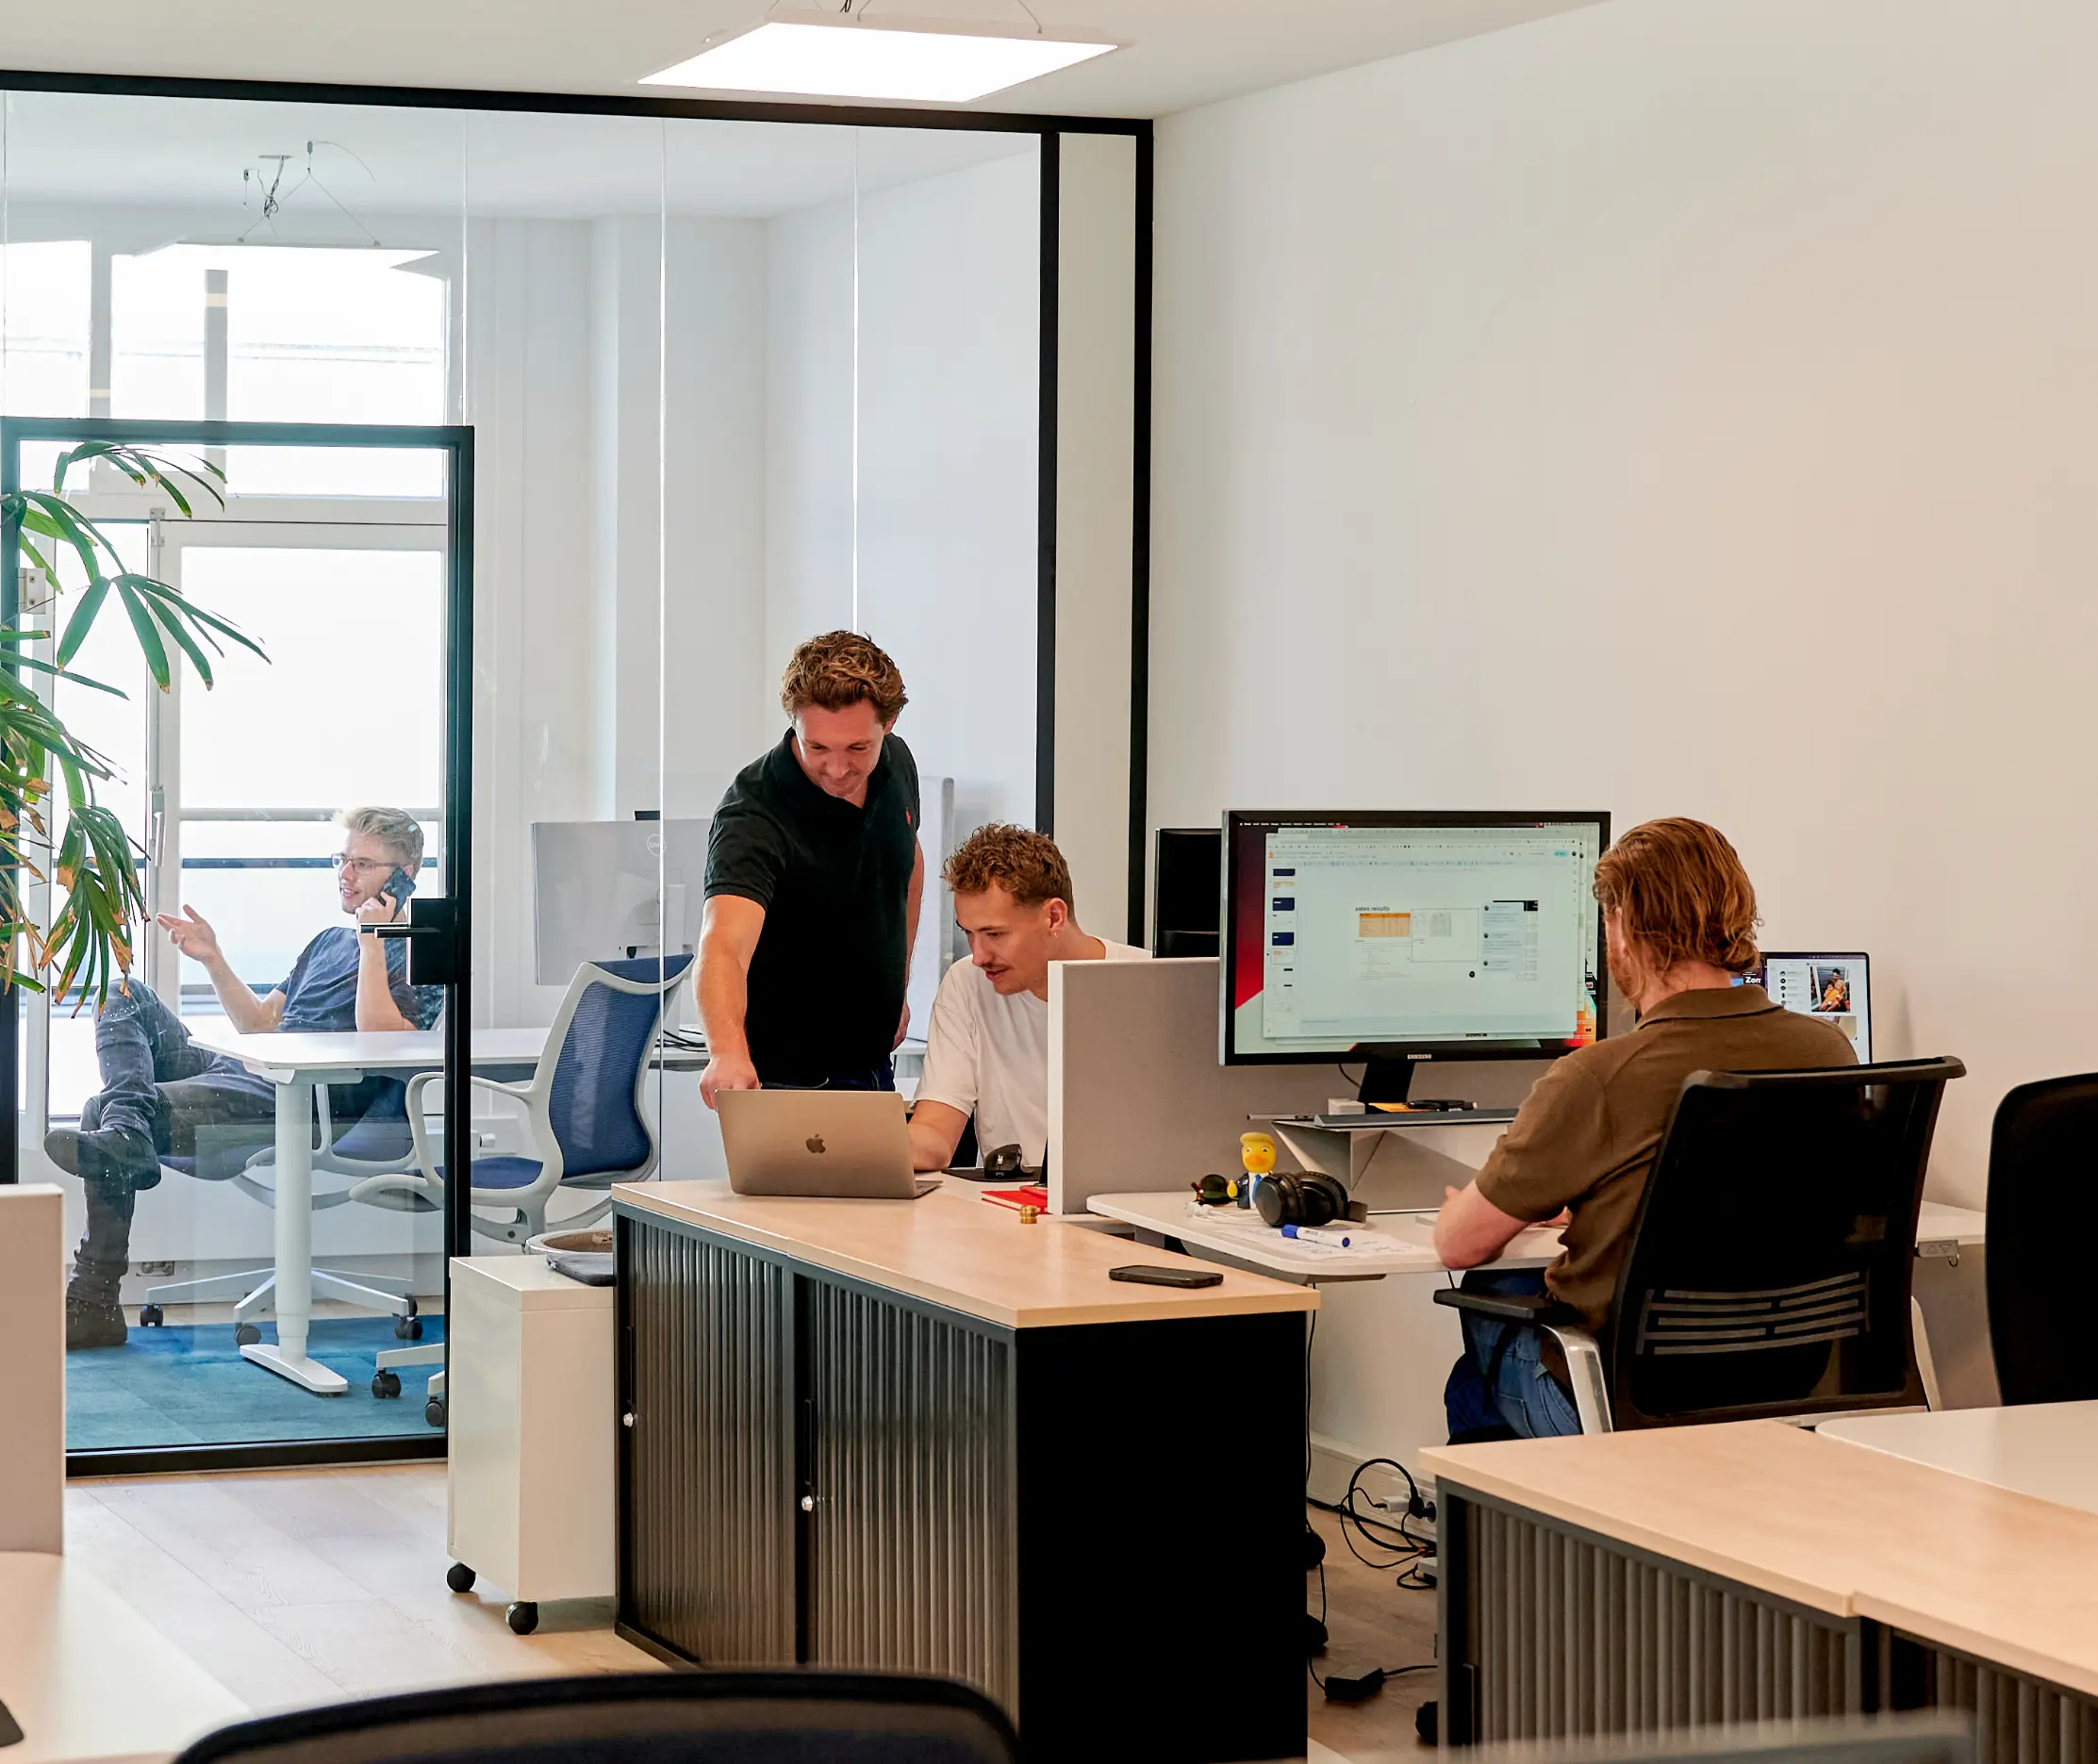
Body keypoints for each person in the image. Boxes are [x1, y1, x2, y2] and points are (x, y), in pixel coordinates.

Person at [1434, 817, 1856, 1440]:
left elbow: (1457, 1244)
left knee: (1481, 1337)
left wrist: (1478, 1209)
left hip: (1625, 1404)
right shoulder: (1828, 1051)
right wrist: (1608, 1206)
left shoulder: (1597, 1077)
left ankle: (1528, 1501)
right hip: (1786, 1384)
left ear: (1624, 930)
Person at [47, 806, 443, 1350]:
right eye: (343, 859)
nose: (345, 874)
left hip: (298, 1099)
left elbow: (382, 1038)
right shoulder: (328, 941)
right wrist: (213, 959)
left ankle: (94, 1297)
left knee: (104, 1110)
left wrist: (374, 940)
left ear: (404, 876)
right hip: (247, 1071)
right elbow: (260, 1024)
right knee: (122, 992)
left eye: (363, 864)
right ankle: (128, 1132)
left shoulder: (422, 951)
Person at [699, 632, 924, 1101]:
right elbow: (724, 945)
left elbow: (907, 865)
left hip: (874, 1062)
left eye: (857, 749)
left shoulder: (897, 763)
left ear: (890, 724)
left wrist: (898, 987)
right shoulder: (753, 813)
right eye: (817, 747)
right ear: (793, 723)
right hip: (786, 1077)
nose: (838, 770)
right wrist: (726, 1052)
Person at [907, 824, 1148, 1174]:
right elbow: (935, 1136)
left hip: (1130, 1199)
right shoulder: (966, 983)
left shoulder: (1151, 983)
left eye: (994, 934)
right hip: (1007, 1202)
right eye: (969, 934)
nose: (979, 956)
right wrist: (848, 1144)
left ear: (1054, 917)